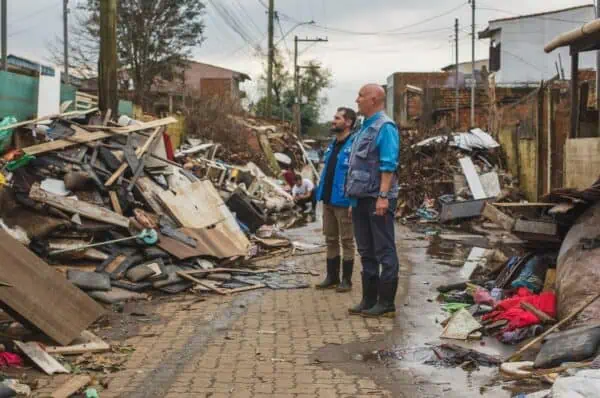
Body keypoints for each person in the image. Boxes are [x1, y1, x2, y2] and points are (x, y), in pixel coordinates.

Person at [346, 84, 400, 318]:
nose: (356, 99)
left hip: (377, 199)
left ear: (374, 99)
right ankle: (368, 300)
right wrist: (352, 201)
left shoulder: (384, 127)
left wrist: (383, 197)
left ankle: (386, 302)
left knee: (384, 250)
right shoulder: (362, 129)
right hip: (360, 199)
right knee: (366, 251)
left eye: (361, 95)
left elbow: (388, 165)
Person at [314, 107, 357, 292]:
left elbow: (356, 174)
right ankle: (331, 277)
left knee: (347, 240)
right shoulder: (333, 145)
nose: (333, 121)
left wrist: (353, 200)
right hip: (328, 199)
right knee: (330, 239)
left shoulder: (354, 144)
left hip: (344, 200)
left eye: (337, 118)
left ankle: (346, 280)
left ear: (348, 122)